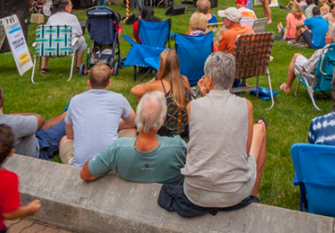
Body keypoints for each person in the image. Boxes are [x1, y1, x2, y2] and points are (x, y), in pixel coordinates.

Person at [180, 52, 267, 208]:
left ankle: (250, 194)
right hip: (233, 193)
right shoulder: (246, 105)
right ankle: (252, 194)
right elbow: (245, 153)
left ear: (210, 80)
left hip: (194, 191)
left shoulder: (192, 106)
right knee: (260, 128)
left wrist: (203, 94)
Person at [82, 91, 187, 185]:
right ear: (163, 120)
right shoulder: (178, 147)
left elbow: (85, 174)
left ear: (137, 117)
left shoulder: (117, 148)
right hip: (168, 204)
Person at [60, 64, 136, 169]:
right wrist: (115, 126)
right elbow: (133, 122)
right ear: (109, 82)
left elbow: (70, 135)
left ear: (88, 82)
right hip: (112, 166)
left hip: (81, 167)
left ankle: (73, 166)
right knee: (131, 130)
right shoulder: (119, 99)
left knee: (64, 140)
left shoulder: (75, 100)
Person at [130, 50, 192, 139]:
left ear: (161, 66)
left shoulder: (158, 84)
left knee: (142, 96)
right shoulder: (184, 80)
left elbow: (134, 90)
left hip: (165, 131)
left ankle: (144, 128)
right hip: (184, 129)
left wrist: (153, 80)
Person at [41, 0, 87, 74]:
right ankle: (78, 66)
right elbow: (79, 32)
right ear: (66, 8)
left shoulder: (51, 17)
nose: (72, 6)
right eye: (71, 5)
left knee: (48, 38)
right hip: (66, 48)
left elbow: (46, 32)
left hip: (48, 48)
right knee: (81, 39)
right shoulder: (72, 17)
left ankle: (44, 66)